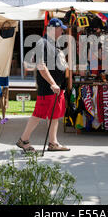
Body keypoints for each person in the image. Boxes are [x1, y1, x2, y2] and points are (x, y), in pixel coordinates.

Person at [16, 18, 70, 153]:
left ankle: (53, 142)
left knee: (55, 115)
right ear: (53, 29)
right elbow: (41, 65)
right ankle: (24, 140)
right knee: (39, 114)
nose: (62, 31)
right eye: (60, 29)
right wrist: (52, 83)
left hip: (57, 87)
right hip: (49, 87)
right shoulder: (43, 43)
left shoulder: (53, 44)